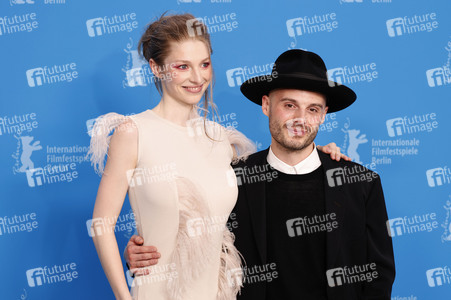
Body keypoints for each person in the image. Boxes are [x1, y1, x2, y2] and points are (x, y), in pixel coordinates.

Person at [88, 13, 346, 300]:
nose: (197, 78)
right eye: (182, 66)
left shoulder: (221, 139)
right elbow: (101, 224)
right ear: (157, 68)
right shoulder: (133, 132)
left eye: (204, 64)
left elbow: (272, 176)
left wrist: (316, 156)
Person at [125, 49, 396, 299]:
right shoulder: (231, 178)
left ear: (324, 115)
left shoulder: (360, 183)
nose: (300, 119)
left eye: (312, 109)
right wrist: (142, 250)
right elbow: (192, 237)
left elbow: (380, 275)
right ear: (266, 105)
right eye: (289, 105)